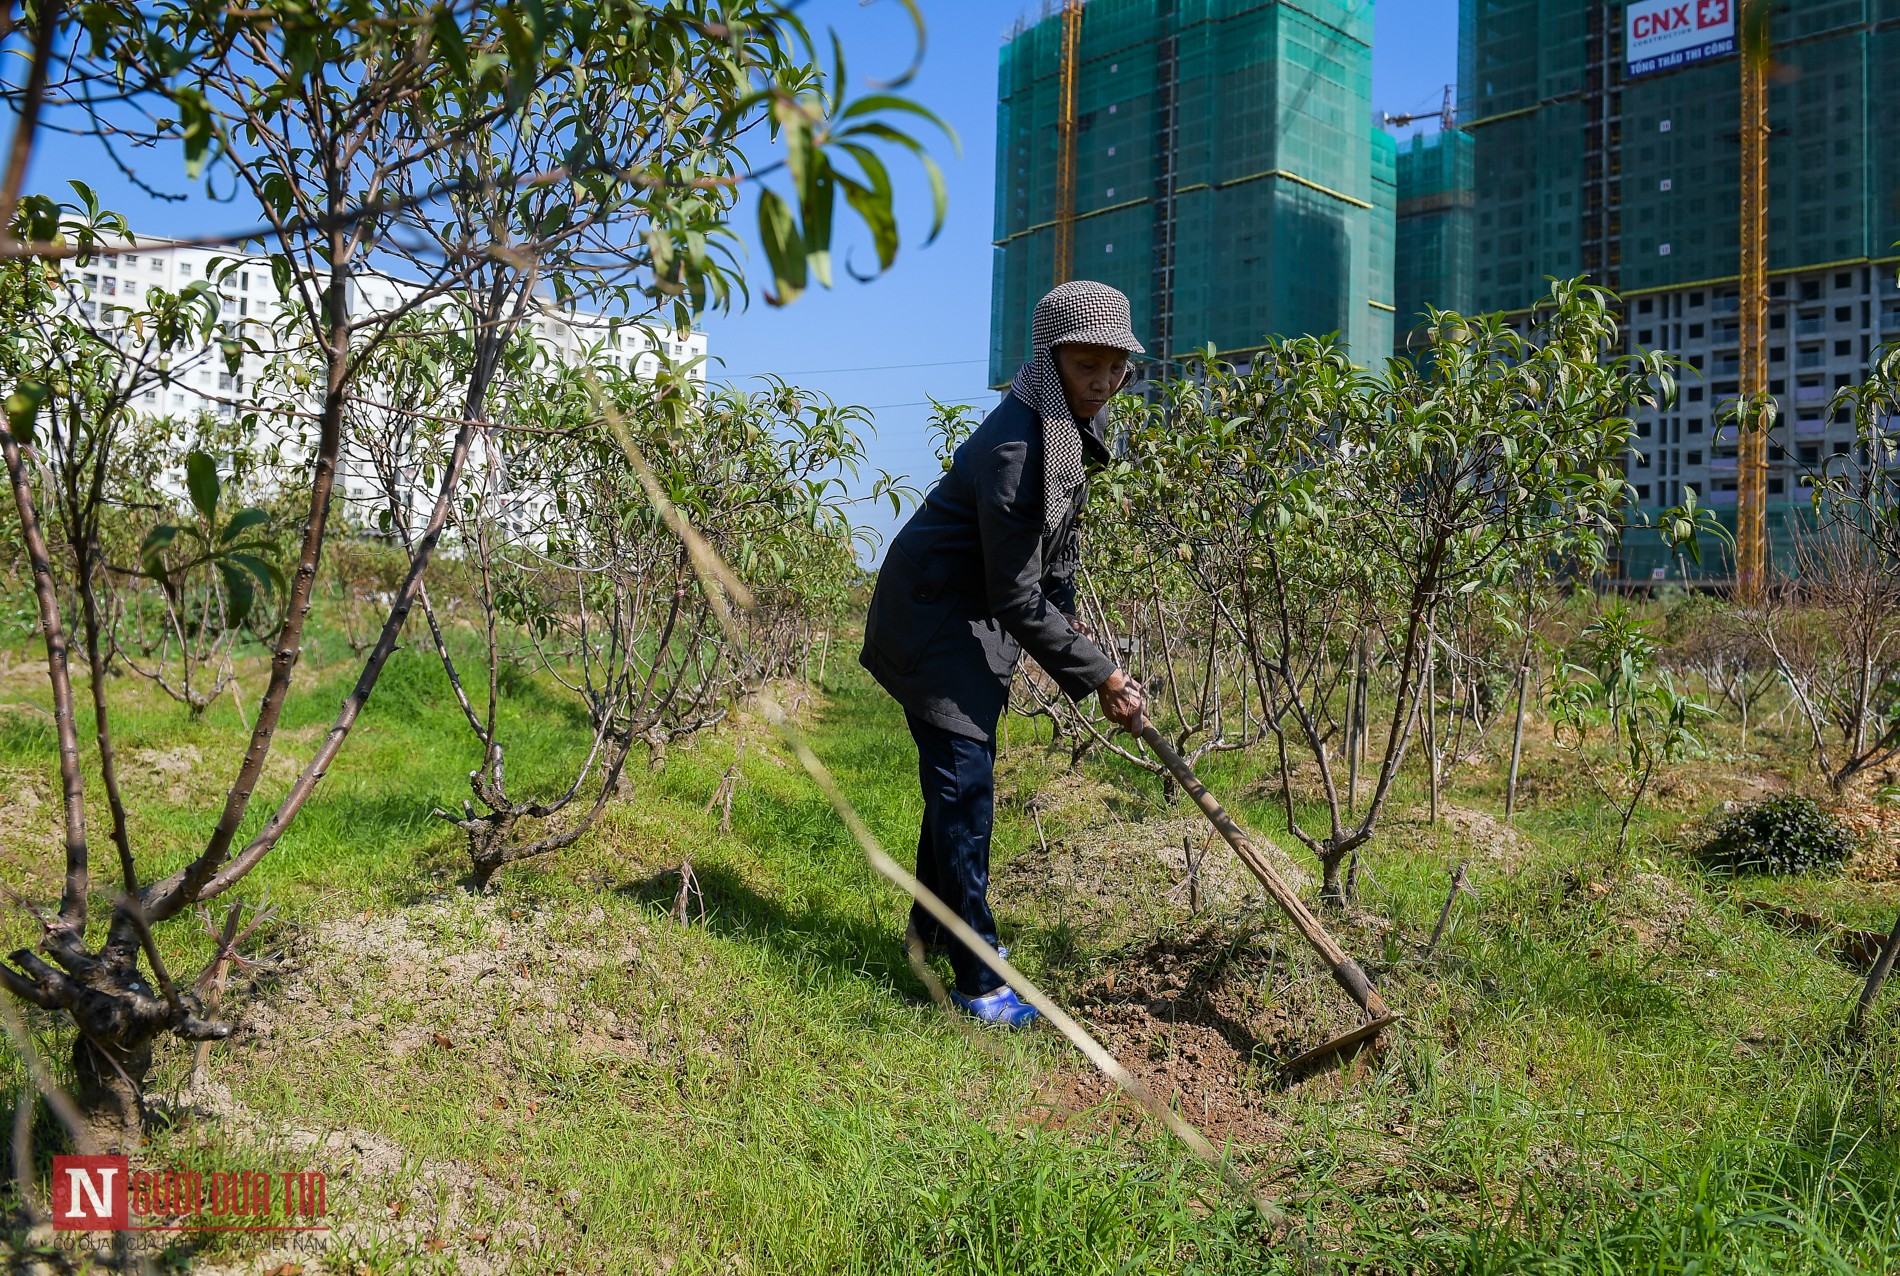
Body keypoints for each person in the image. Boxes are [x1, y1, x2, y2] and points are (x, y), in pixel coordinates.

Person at [860, 280, 1148, 1027]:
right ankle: (979, 981)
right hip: (935, 621)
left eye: (1116, 367)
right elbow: (1020, 597)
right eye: (1088, 365)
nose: (1103, 382)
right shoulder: (1021, 449)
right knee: (965, 795)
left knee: (958, 786)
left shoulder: (1064, 434)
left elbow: (1055, 571)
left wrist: (1086, 653)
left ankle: (929, 932)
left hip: (969, 617)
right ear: (1051, 360)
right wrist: (1099, 676)